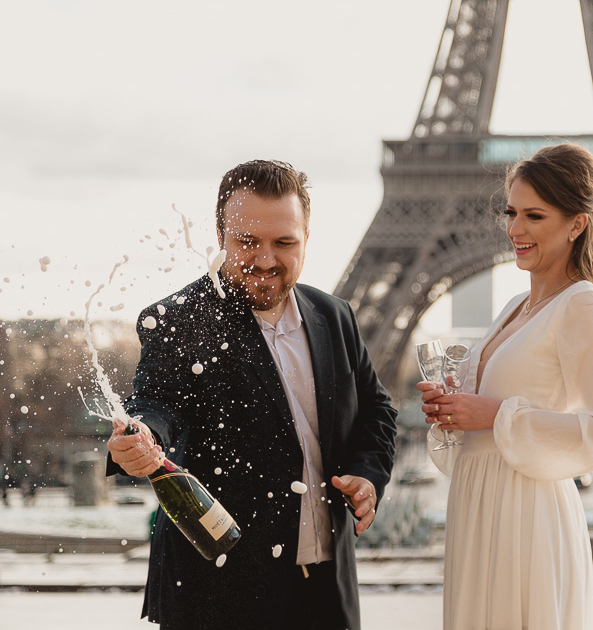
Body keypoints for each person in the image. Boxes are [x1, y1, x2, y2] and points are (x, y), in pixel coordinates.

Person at [107, 160, 398, 629]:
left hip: (328, 590)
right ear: (220, 236)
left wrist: (367, 475)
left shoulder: (335, 314)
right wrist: (141, 435)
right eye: (248, 242)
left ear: (306, 237)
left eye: (283, 242)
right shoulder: (180, 320)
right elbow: (157, 403)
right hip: (221, 595)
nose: (265, 258)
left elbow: (376, 411)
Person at [418, 143, 593, 629]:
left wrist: (493, 416)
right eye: (511, 212)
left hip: (525, 515)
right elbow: (491, 413)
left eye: (534, 216)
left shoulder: (582, 304)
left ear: (577, 222)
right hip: (480, 507)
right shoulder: (517, 304)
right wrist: (453, 409)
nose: (515, 229)